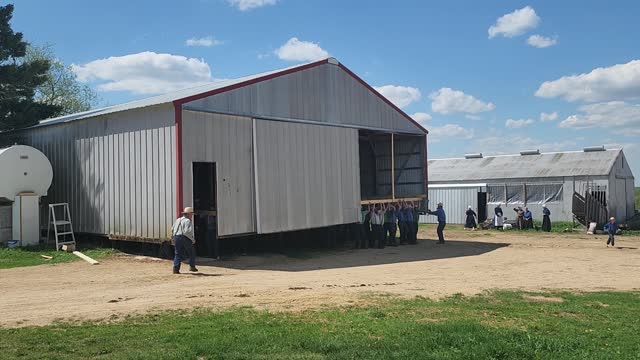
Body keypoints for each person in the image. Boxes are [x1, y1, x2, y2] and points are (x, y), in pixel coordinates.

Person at [172, 207, 198, 274]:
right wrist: (192, 239)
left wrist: (173, 237)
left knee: (177, 253)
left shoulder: (178, 220)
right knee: (191, 252)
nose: (192, 216)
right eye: (191, 214)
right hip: (184, 237)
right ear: (189, 214)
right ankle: (192, 267)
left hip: (176, 236)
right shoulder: (188, 221)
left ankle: (175, 269)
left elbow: (172, 229)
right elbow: (187, 232)